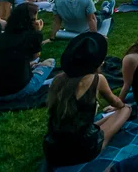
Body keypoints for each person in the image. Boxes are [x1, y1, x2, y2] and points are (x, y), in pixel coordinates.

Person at [44, 32, 132, 167]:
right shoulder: (97, 79)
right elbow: (116, 102)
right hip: (83, 150)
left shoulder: (57, 80)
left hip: (53, 150)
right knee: (126, 110)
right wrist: (121, 106)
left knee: (94, 124)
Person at [0, 3, 55, 101]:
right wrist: (38, 32)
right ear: (31, 20)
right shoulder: (33, 35)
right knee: (50, 62)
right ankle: (39, 82)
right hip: (21, 90)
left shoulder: (2, 36)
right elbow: (35, 57)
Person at [50, 0, 115, 39]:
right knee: (99, 16)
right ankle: (106, 10)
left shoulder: (59, 1)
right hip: (86, 29)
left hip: (69, 30)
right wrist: (95, 36)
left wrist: (52, 37)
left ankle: (105, 9)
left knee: (95, 14)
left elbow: (57, 22)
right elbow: (92, 19)